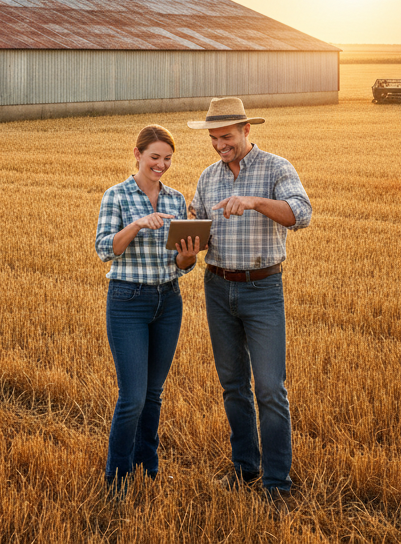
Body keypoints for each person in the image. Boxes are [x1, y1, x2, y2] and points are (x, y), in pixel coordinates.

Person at [188, 97, 312, 514]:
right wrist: (187, 240)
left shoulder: (277, 168)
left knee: (271, 389)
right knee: (233, 386)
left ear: (245, 131)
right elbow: (200, 230)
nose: (220, 145)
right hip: (217, 287)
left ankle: (277, 484)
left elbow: (301, 214)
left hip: (263, 289)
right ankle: (244, 468)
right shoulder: (208, 177)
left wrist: (255, 202)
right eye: (213, 138)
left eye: (226, 136)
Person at [95, 124, 201, 490]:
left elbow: (182, 265)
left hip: (168, 301)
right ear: (138, 155)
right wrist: (138, 224)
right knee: (132, 397)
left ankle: (147, 464)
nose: (161, 164)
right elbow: (105, 248)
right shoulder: (117, 196)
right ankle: (118, 476)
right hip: (128, 302)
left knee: (154, 393)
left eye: (168, 158)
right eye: (155, 157)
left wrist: (188, 256)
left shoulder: (175, 199)